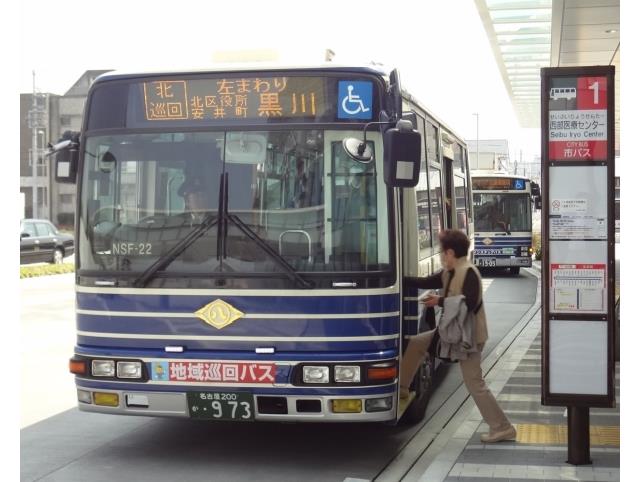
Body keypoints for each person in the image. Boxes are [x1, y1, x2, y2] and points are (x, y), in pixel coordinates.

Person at [400, 229, 517, 443]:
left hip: (469, 338)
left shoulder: (469, 272)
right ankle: (402, 390)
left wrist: (439, 301)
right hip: (452, 333)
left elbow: (468, 303)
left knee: (475, 383)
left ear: (450, 253)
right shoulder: (449, 272)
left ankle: (503, 427)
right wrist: (397, 278)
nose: (440, 255)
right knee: (416, 344)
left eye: (442, 251)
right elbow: (425, 282)